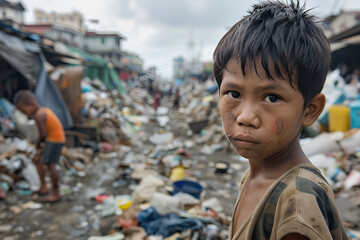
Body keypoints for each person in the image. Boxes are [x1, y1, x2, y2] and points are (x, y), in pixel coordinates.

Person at [213, 1, 348, 239]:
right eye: (233, 94)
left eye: (271, 97)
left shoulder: (297, 204)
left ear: (310, 110)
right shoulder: (255, 173)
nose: (246, 117)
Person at [14, 90, 65, 203]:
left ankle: (55, 192)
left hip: (53, 139)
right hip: (56, 139)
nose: (26, 114)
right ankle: (44, 187)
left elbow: (42, 134)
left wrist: (37, 145)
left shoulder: (39, 114)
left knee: (51, 165)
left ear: (31, 104)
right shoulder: (43, 111)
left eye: (24, 110)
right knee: (40, 161)